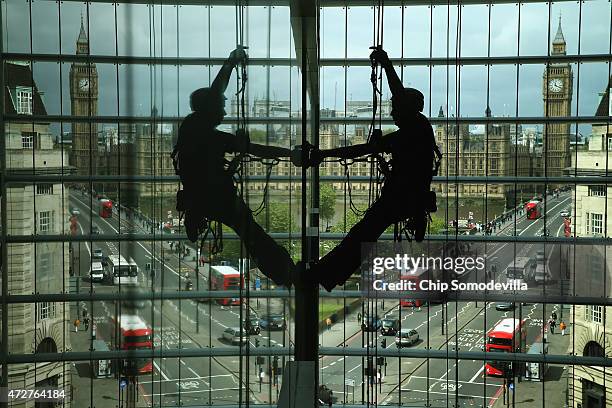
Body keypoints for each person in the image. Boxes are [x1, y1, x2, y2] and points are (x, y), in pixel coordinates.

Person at [305, 47, 438, 292]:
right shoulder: (419, 129)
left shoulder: (411, 131)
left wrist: (324, 154)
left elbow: (358, 150)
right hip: (408, 198)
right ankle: (326, 275)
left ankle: (324, 274)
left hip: (400, 198)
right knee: (363, 234)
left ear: (408, 108)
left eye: (395, 108)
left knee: (361, 235)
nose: (392, 112)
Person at [173, 47, 300, 288]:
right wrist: (289, 154)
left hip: (199, 198)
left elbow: (216, 90)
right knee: (254, 235)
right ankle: (284, 272)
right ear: (210, 110)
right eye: (220, 107)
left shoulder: (191, 125)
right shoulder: (214, 138)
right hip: (219, 198)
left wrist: (230, 63)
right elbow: (259, 149)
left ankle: (282, 271)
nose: (223, 110)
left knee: (252, 234)